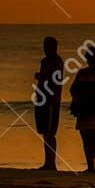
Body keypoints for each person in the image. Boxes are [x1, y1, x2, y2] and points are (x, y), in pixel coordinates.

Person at [69, 45, 95, 174]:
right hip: (83, 108)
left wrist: (83, 88)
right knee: (86, 138)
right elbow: (73, 89)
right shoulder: (82, 72)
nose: (93, 59)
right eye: (91, 56)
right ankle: (91, 166)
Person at [32, 36, 64, 170]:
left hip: (52, 101)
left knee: (50, 132)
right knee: (45, 132)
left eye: (49, 47)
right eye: (45, 47)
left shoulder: (57, 61)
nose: (47, 50)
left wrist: (40, 76)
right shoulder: (44, 61)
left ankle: (52, 163)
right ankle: (48, 162)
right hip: (42, 99)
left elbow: (53, 79)